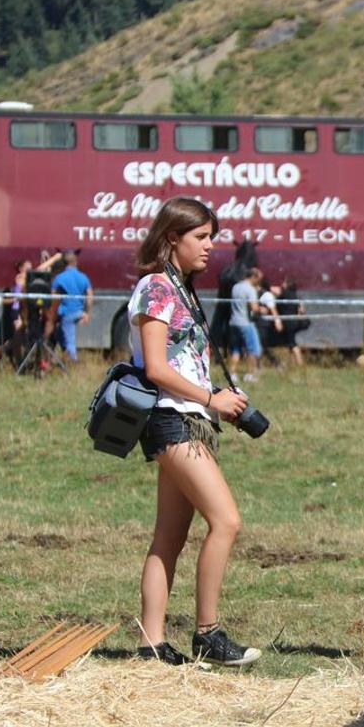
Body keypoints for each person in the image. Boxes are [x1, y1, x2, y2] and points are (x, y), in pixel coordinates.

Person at [128, 196, 260, 667]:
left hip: (191, 418)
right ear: (171, 239)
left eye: (212, 237)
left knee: (169, 536)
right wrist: (211, 400)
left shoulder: (180, 289)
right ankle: (207, 632)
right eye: (200, 237)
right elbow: (158, 369)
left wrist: (217, 398)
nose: (210, 247)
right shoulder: (156, 288)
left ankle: (152, 644)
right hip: (171, 419)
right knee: (226, 521)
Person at [48, 249, 92, 363]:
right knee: (60, 335)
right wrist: (86, 312)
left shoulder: (59, 278)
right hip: (79, 312)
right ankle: (64, 357)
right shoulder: (84, 277)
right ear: (75, 262)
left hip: (67, 313)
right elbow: (90, 296)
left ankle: (73, 363)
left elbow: (53, 298)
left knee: (69, 341)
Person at [228, 266, 263, 377]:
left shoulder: (235, 287)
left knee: (236, 349)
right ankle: (250, 374)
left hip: (234, 321)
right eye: (258, 279)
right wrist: (264, 309)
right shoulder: (250, 289)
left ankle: (232, 373)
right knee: (252, 349)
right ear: (254, 277)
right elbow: (254, 308)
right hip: (245, 322)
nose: (259, 282)